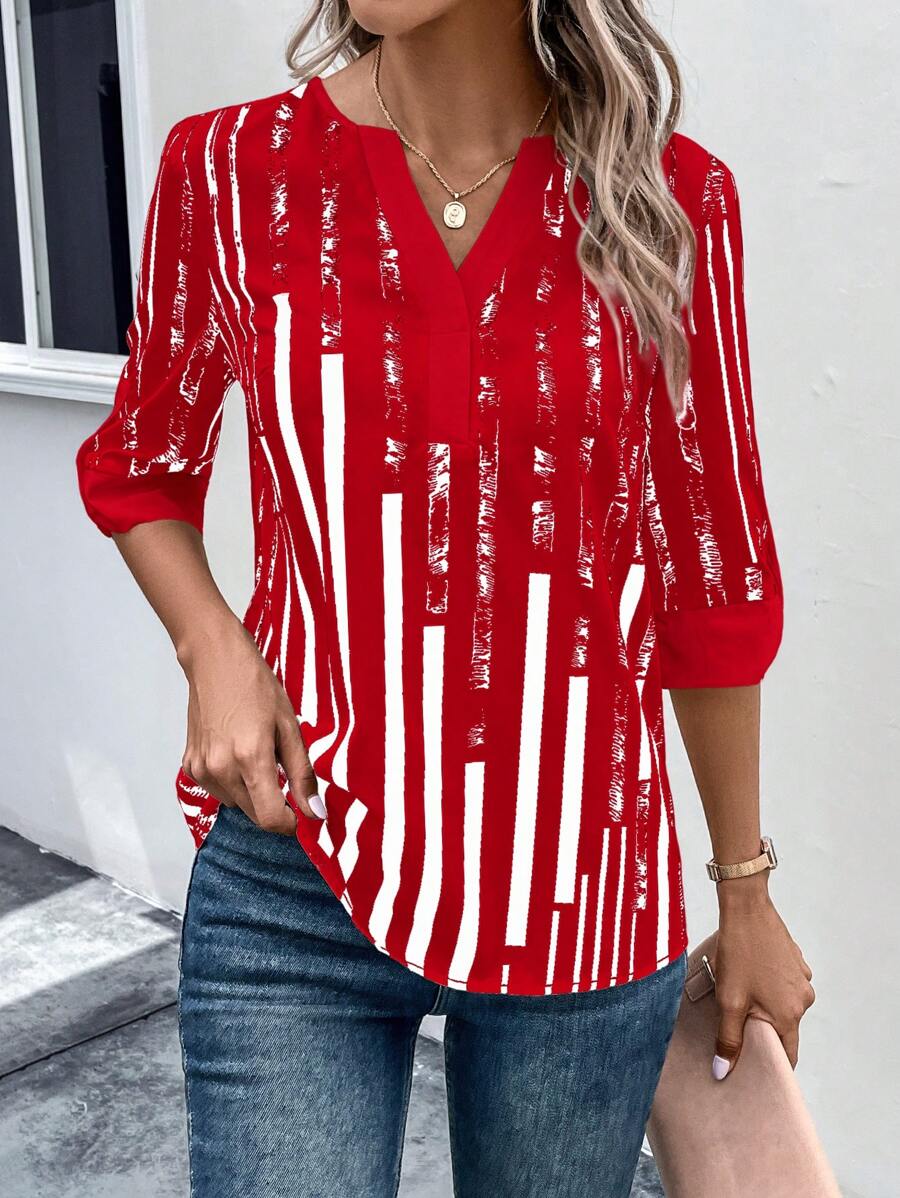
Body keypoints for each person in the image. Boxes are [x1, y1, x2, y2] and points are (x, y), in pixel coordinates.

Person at [75, 2, 815, 1194]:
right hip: (296, 871)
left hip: (582, 892)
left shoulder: (669, 202)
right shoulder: (231, 173)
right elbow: (142, 462)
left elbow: (710, 578)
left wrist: (746, 890)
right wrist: (212, 644)